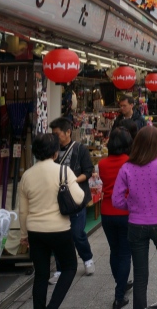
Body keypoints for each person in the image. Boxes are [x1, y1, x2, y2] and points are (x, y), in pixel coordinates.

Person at [112, 126, 157, 309]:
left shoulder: (127, 167)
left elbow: (116, 200)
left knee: (140, 274)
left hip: (136, 225)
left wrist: (133, 205)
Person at [19, 134, 85, 309]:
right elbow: (79, 198)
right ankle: (53, 306)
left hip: (35, 231)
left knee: (41, 274)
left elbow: (23, 210)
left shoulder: (27, 175)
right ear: (56, 152)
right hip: (59, 229)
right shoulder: (63, 171)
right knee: (70, 267)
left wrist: (24, 235)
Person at [48, 117, 94, 284]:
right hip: (57, 199)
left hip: (76, 197)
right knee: (59, 235)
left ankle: (87, 258)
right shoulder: (51, 150)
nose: (55, 137)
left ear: (68, 132)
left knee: (77, 232)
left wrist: (72, 181)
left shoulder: (80, 149)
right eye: (53, 134)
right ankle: (60, 268)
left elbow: (88, 171)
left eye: (57, 134)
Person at [99, 129, 134, 309]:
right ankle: (119, 296)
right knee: (125, 253)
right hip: (126, 212)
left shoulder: (102, 164)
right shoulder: (129, 163)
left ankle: (121, 282)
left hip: (106, 212)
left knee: (114, 250)